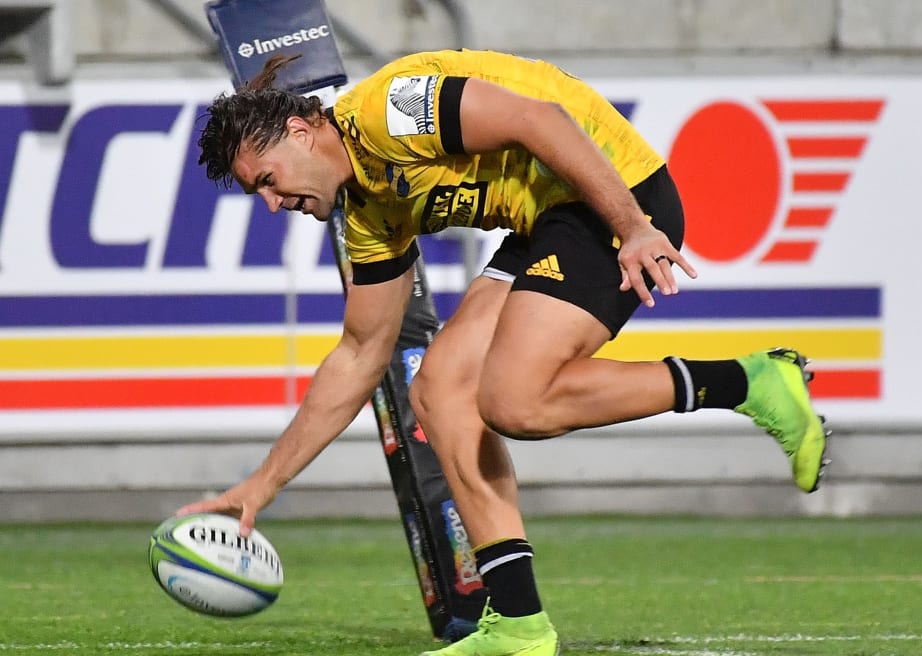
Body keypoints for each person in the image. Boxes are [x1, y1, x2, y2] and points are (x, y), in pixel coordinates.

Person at [178, 48, 829, 656]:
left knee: (516, 402)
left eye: (265, 181)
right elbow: (359, 354)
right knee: (438, 389)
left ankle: (750, 381)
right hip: (546, 219)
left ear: (299, 132)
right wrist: (264, 485)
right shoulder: (367, 213)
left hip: (610, 192)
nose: (270, 205)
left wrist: (633, 226)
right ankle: (518, 624)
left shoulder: (387, 111)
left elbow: (535, 117)